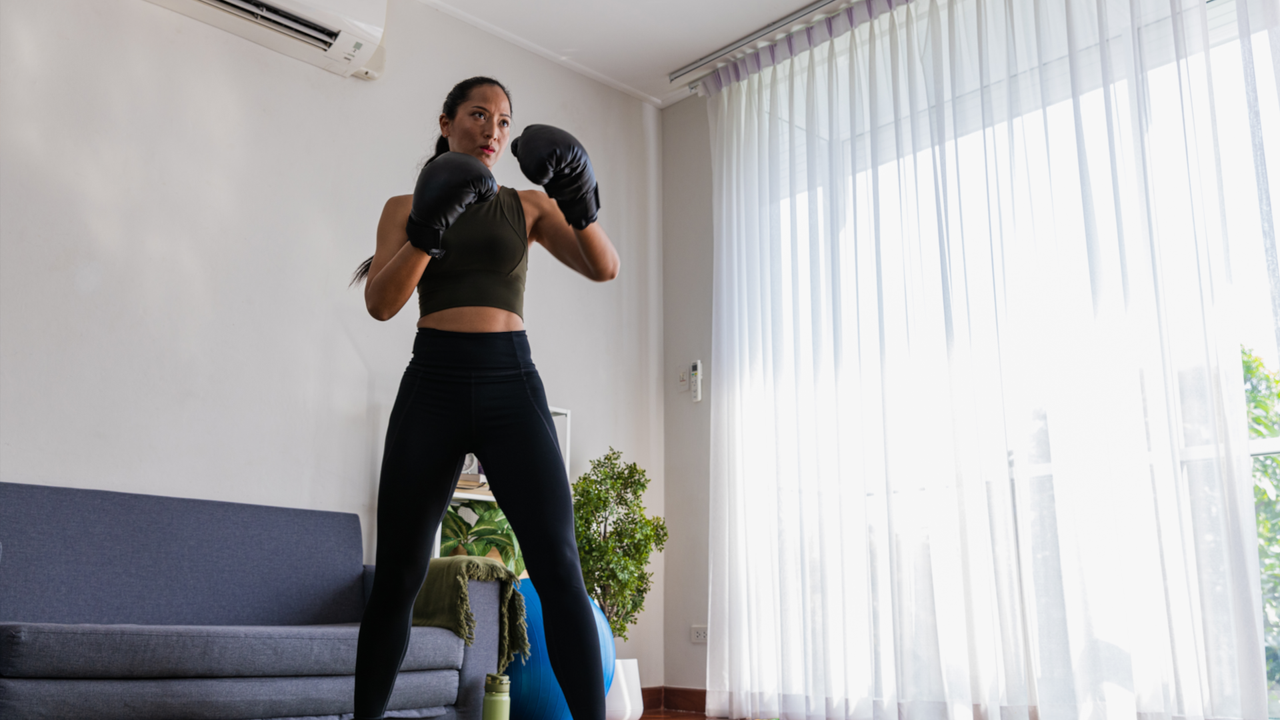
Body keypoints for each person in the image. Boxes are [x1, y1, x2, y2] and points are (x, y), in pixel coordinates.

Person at [350, 76, 619, 720]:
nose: (493, 130)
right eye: (478, 115)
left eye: (503, 121)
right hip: (433, 381)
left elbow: (603, 266)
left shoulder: (527, 207)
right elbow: (382, 304)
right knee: (398, 576)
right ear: (445, 122)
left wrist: (579, 201)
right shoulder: (402, 205)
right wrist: (427, 226)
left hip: (511, 382)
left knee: (559, 567)